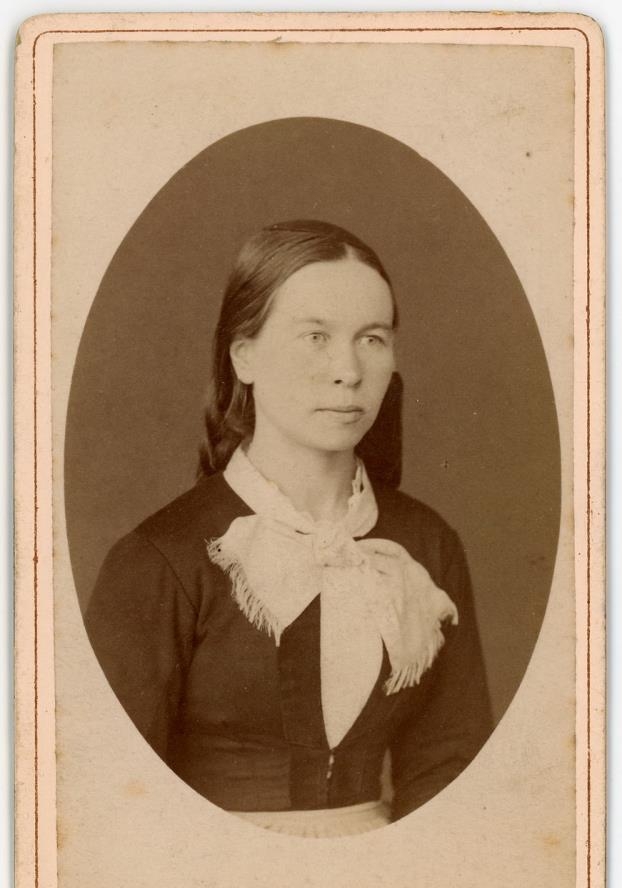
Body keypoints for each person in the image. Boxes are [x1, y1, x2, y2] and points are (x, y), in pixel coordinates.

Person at [85, 219, 493, 838]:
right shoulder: (160, 559)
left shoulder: (426, 543)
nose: (347, 371)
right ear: (244, 355)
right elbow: (108, 801)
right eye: (315, 337)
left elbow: (449, 767)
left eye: (372, 339)